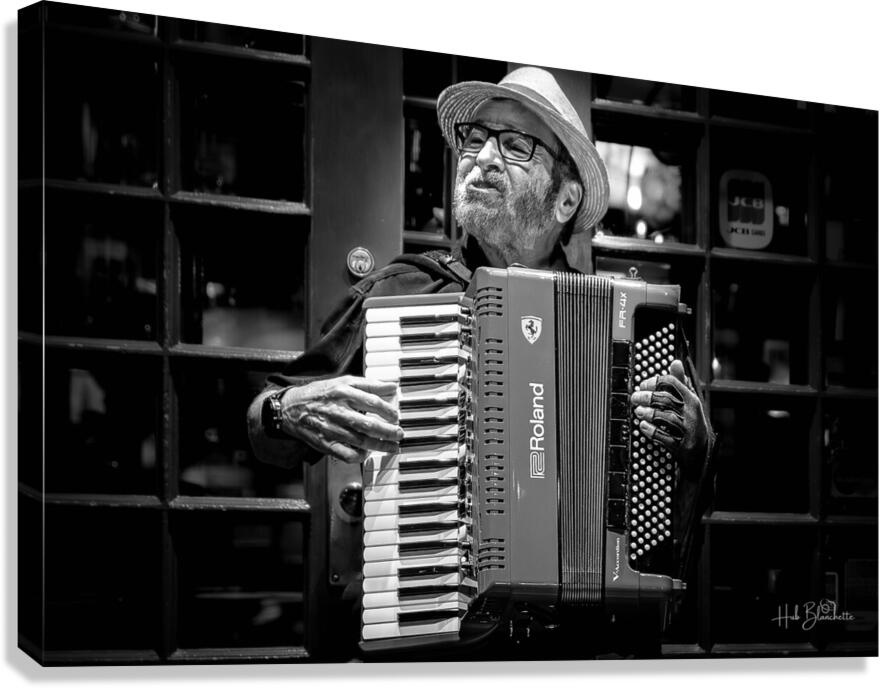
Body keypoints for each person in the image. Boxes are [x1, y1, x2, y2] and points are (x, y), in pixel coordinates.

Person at [247, 66, 715, 658]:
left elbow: (685, 505)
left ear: (566, 199)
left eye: (515, 145)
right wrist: (286, 409)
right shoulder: (404, 293)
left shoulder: (631, 322)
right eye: (474, 139)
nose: (483, 157)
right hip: (437, 640)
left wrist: (694, 443)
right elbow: (264, 429)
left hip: (577, 652)